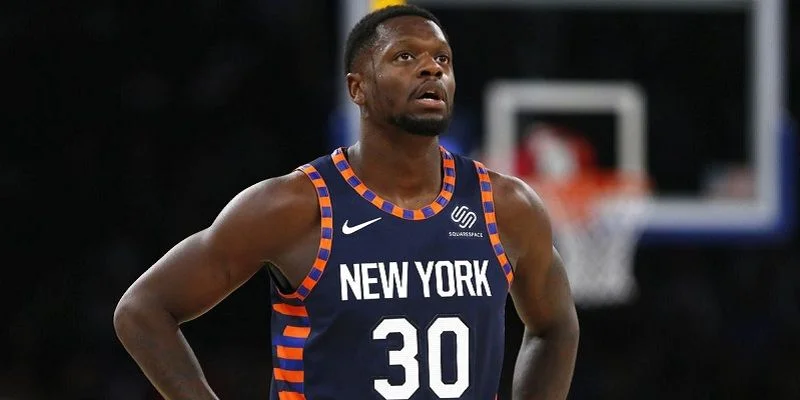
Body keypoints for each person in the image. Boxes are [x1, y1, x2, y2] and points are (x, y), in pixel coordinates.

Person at [113, 5, 579, 399]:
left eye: (442, 58)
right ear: (358, 88)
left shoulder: (505, 205)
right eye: (405, 56)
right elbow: (142, 310)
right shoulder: (295, 205)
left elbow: (555, 327)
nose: (432, 68)